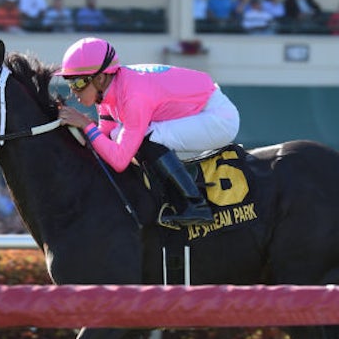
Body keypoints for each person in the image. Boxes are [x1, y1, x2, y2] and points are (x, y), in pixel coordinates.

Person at [55, 37, 240, 225]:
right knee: (118, 135)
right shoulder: (108, 91)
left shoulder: (133, 96)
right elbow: (105, 136)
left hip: (218, 118)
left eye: (78, 83)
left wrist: (86, 125)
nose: (73, 91)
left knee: (147, 136)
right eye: (69, 83)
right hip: (200, 108)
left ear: (100, 78)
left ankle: (196, 206)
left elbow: (119, 160)